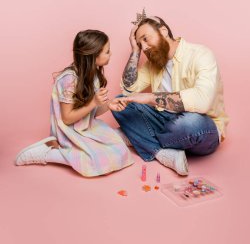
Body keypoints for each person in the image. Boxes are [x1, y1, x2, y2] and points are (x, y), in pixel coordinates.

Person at [112, 13, 229, 176]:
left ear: (164, 31)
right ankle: (161, 152)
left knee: (190, 122)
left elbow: (202, 102)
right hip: (165, 120)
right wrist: (135, 51)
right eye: (140, 44)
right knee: (120, 103)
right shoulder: (152, 63)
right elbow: (128, 90)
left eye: (146, 39)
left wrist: (150, 98)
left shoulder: (200, 54)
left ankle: (136, 137)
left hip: (201, 127)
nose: (144, 47)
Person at [15, 30, 134, 177]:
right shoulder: (69, 79)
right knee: (95, 161)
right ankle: (47, 154)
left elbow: (92, 113)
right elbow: (67, 118)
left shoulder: (94, 75)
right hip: (69, 131)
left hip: (85, 126)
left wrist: (108, 105)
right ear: (94, 55)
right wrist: (93, 102)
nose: (111, 54)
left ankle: (114, 139)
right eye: (107, 51)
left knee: (121, 151)